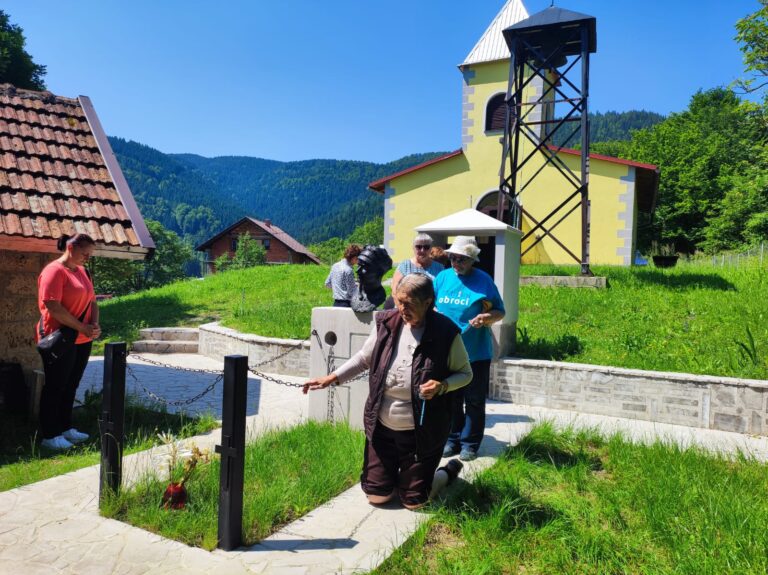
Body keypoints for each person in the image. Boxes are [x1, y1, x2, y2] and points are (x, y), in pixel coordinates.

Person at [304, 274, 472, 509]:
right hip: (382, 429)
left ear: (428, 302)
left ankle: (445, 473)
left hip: (421, 434)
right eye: (399, 301)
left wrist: (442, 386)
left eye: (409, 303)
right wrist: (332, 377)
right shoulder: (386, 323)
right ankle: (398, 478)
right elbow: (364, 358)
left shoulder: (446, 332)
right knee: (377, 497)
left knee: (414, 502)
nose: (402, 309)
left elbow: (466, 373)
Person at [433, 236, 505, 462]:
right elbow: (431, 304)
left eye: (462, 259)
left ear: (473, 260)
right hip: (448, 352)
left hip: (475, 352)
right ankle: (452, 439)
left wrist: (485, 317)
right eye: (453, 258)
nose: (456, 262)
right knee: (451, 398)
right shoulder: (442, 278)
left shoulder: (484, 281)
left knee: (474, 400)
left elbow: (500, 312)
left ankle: (470, 444)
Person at [36, 233, 101, 450]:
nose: (87, 258)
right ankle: (49, 434)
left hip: (82, 338)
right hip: (59, 337)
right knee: (55, 386)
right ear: (71, 247)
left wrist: (94, 326)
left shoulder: (84, 271)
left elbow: (92, 301)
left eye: (90, 255)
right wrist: (82, 327)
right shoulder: (54, 271)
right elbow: (53, 307)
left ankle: (65, 427)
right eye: (85, 253)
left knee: (71, 384)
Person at [384, 233, 444, 310]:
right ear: (413, 248)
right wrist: (401, 308)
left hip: (431, 309)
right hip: (407, 308)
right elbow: (395, 291)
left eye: (426, 247)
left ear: (430, 249)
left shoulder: (439, 267)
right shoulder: (404, 265)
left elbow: (443, 292)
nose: (422, 250)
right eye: (418, 247)